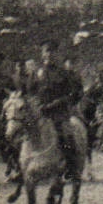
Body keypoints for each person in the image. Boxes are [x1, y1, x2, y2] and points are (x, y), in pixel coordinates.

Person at [30, 39, 85, 179]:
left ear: (57, 54)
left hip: (59, 113)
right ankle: (20, 167)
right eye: (46, 51)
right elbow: (30, 92)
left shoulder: (63, 73)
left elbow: (72, 94)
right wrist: (36, 105)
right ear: (42, 54)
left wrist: (57, 103)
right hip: (40, 113)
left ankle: (70, 167)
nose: (49, 54)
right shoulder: (36, 73)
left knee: (67, 137)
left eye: (52, 51)